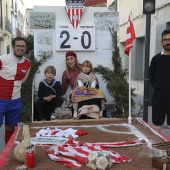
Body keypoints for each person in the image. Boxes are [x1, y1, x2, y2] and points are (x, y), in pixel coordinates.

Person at [0, 37, 31, 144]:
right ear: (13, 47)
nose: (20, 48)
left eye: (23, 46)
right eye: (18, 45)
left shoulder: (27, 63)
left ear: (26, 48)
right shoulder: (2, 59)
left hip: (15, 100)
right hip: (1, 100)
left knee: (11, 128)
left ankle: (8, 154)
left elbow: (23, 79)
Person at [150, 29, 170, 131]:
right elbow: (152, 77)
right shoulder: (155, 59)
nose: (168, 42)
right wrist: (160, 88)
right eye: (165, 39)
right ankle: (157, 147)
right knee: (157, 127)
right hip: (158, 98)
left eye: (169, 39)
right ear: (161, 42)